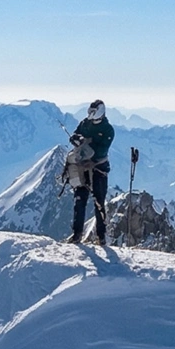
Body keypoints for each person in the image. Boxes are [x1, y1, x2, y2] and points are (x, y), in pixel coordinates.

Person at [66, 99, 113, 244]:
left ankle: (101, 236)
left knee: (98, 201)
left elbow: (101, 150)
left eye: (92, 112)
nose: (90, 114)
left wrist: (84, 143)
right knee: (79, 200)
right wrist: (75, 138)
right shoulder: (85, 123)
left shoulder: (108, 129)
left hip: (98, 168)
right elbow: (75, 134)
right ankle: (77, 234)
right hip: (83, 167)